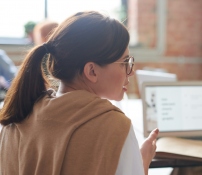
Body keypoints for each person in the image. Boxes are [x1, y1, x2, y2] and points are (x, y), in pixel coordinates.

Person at [0, 11, 159, 175]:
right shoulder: (115, 127)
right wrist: (142, 164)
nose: (130, 72)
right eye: (125, 62)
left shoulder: (17, 114)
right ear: (91, 71)